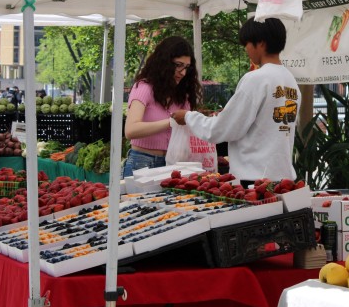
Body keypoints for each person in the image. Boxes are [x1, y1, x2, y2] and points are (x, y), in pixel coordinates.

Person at [172, 18, 301, 186]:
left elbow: (222, 129)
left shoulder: (256, 79)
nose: (246, 50)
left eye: (246, 44)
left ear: (260, 43)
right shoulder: (290, 81)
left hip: (254, 181)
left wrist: (189, 117)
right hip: (283, 180)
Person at [123, 36, 203, 178]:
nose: (183, 72)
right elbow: (130, 130)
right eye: (178, 65)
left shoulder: (183, 95)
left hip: (174, 165)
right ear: (164, 63)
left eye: (186, 67)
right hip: (142, 163)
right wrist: (171, 122)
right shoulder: (144, 88)